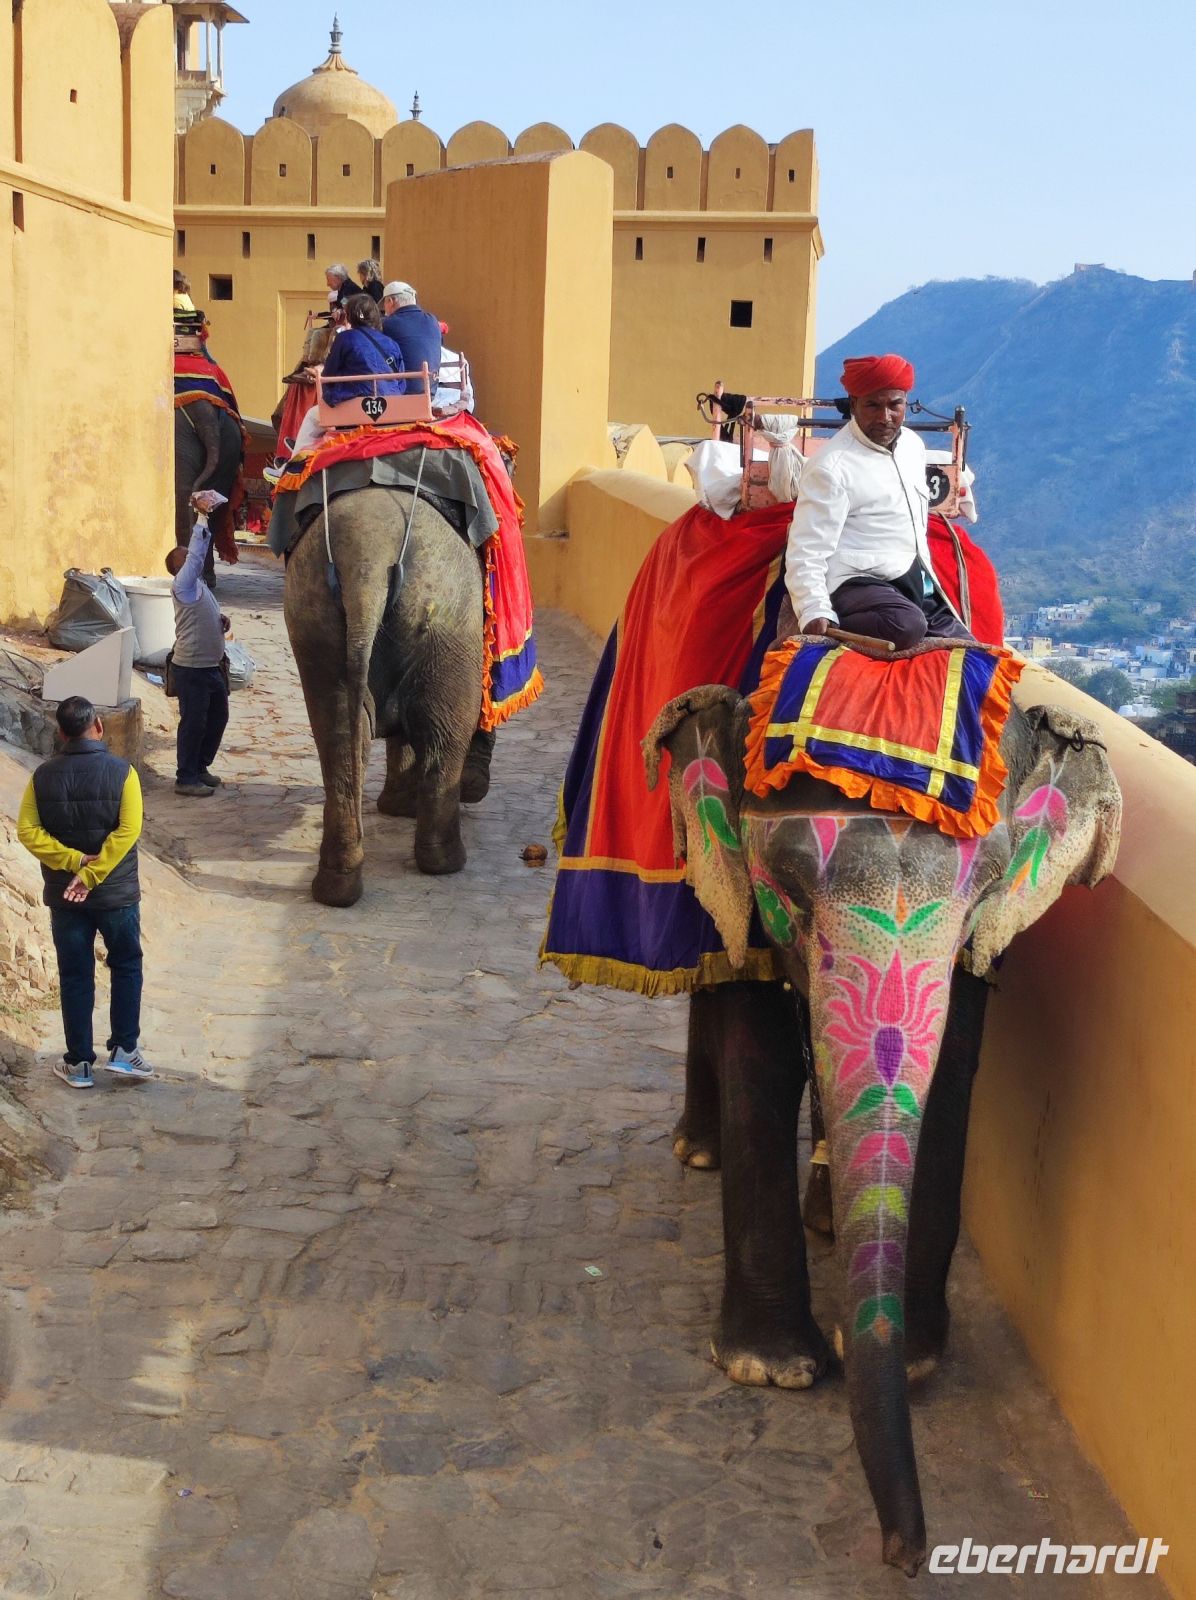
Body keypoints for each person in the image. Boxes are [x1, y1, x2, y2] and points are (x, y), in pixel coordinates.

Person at [784, 353, 970, 650]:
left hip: (909, 577)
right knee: (907, 625)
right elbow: (806, 549)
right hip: (855, 582)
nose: (885, 417)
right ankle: (838, 629)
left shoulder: (912, 445)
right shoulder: (831, 467)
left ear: (905, 404)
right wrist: (814, 610)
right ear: (854, 404)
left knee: (972, 650)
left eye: (894, 405)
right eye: (873, 405)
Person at [16, 696, 152, 1087]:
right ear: (98, 727)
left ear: (60, 733)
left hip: (65, 897)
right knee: (126, 965)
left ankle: (78, 1064)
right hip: (117, 896)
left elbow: (28, 832)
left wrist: (73, 862)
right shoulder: (124, 773)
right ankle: (125, 1052)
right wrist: (92, 873)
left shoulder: (41, 777)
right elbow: (128, 830)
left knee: (76, 975)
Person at [165, 513, 230, 797]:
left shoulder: (197, 586)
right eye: (186, 557)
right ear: (179, 567)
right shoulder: (183, 584)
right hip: (192, 669)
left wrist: (220, 620)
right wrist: (202, 519)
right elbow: (195, 557)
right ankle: (186, 777)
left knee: (218, 717)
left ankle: (200, 767)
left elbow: (203, 613)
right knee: (194, 722)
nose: (193, 558)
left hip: (210, 666)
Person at [381, 281, 442, 382]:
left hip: (403, 392)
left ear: (390, 302)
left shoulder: (388, 324)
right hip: (431, 390)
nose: (384, 310)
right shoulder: (432, 320)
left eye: (384, 305)